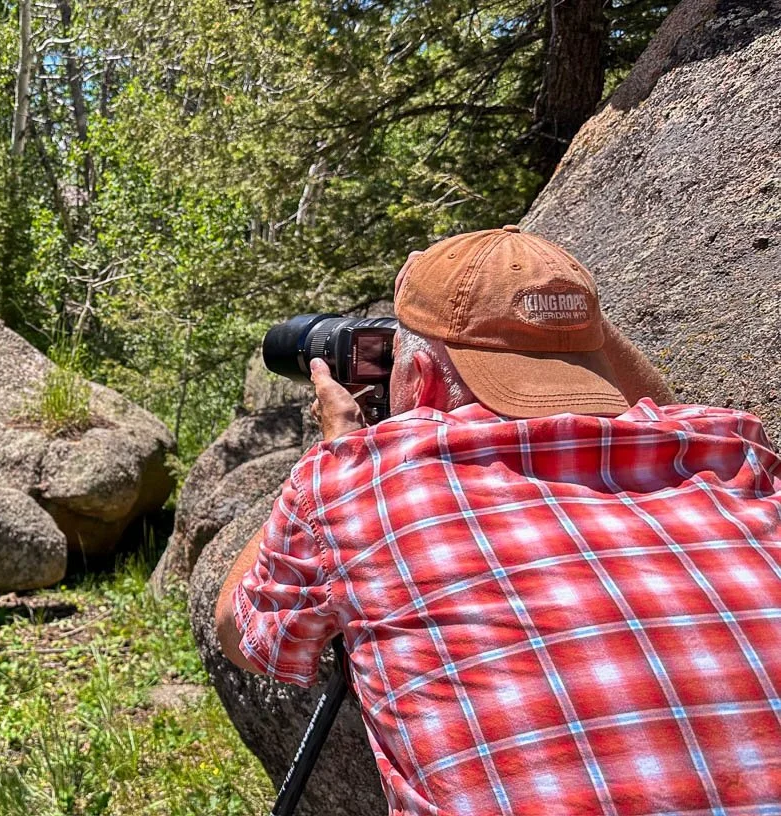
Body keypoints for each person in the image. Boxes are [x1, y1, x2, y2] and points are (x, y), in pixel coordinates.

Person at [215, 226, 781, 814]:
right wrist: (562, 316)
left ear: (426, 378)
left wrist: (341, 453)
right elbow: (649, 406)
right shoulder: (732, 454)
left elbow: (240, 631)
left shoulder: (363, 481)